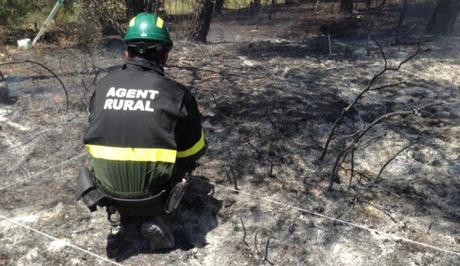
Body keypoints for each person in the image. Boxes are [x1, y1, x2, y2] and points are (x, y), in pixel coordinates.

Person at [76, 12, 207, 251]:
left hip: (106, 193)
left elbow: (95, 126)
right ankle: (160, 217)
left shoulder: (103, 87)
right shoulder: (178, 94)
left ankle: (125, 214)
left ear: (126, 52)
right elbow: (193, 151)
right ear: (166, 54)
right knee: (185, 164)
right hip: (155, 196)